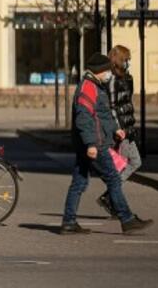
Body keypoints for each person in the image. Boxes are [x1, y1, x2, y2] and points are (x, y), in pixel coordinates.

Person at [60, 53, 153, 235]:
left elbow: (102, 115)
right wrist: (91, 144)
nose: (109, 74)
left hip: (92, 142)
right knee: (113, 179)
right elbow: (84, 119)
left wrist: (114, 129)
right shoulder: (88, 87)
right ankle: (127, 219)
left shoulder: (95, 85)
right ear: (99, 71)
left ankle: (68, 222)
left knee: (79, 182)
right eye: (107, 71)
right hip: (96, 143)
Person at [97, 45, 142, 216]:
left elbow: (128, 102)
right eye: (125, 59)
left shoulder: (126, 78)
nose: (127, 62)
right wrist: (118, 128)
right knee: (131, 162)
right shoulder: (112, 80)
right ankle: (111, 198)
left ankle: (110, 197)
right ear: (118, 60)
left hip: (127, 127)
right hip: (121, 130)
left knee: (127, 164)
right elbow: (112, 106)